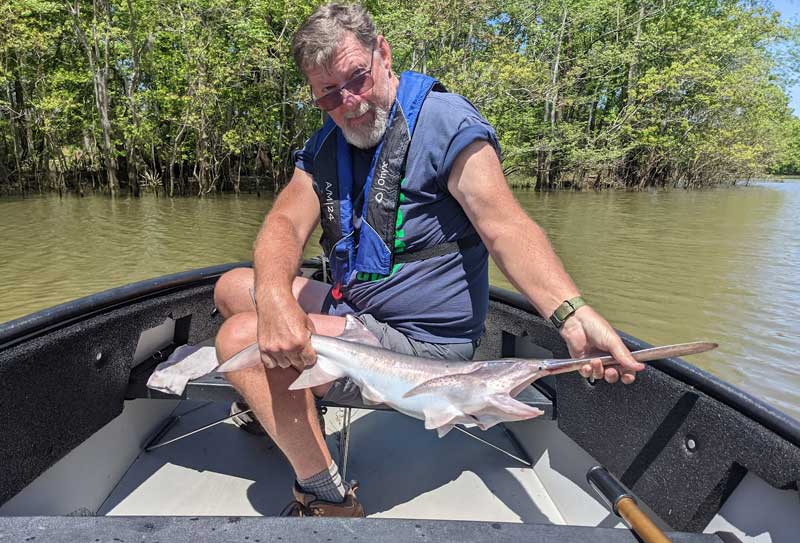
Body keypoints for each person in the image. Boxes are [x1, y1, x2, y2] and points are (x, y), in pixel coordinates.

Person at [213, 2, 644, 518]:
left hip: (424, 347)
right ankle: (283, 406)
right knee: (235, 287)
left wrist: (571, 311)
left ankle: (327, 498)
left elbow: (505, 227)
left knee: (241, 336)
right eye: (328, 93)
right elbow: (283, 225)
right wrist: (274, 296)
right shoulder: (329, 141)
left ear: (384, 54)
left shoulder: (445, 123)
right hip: (362, 314)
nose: (348, 103)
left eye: (357, 79)